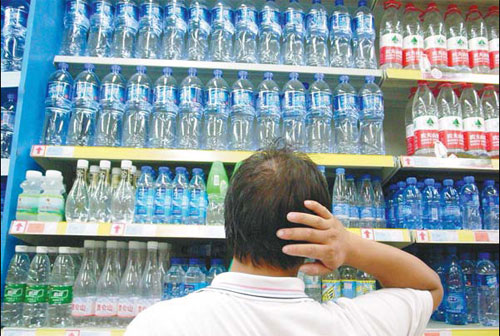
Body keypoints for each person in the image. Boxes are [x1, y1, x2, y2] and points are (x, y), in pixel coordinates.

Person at [125, 146, 443, 336]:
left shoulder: (158, 325)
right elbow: (429, 287)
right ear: (318, 235)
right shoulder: (354, 326)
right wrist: (349, 245)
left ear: (230, 222)